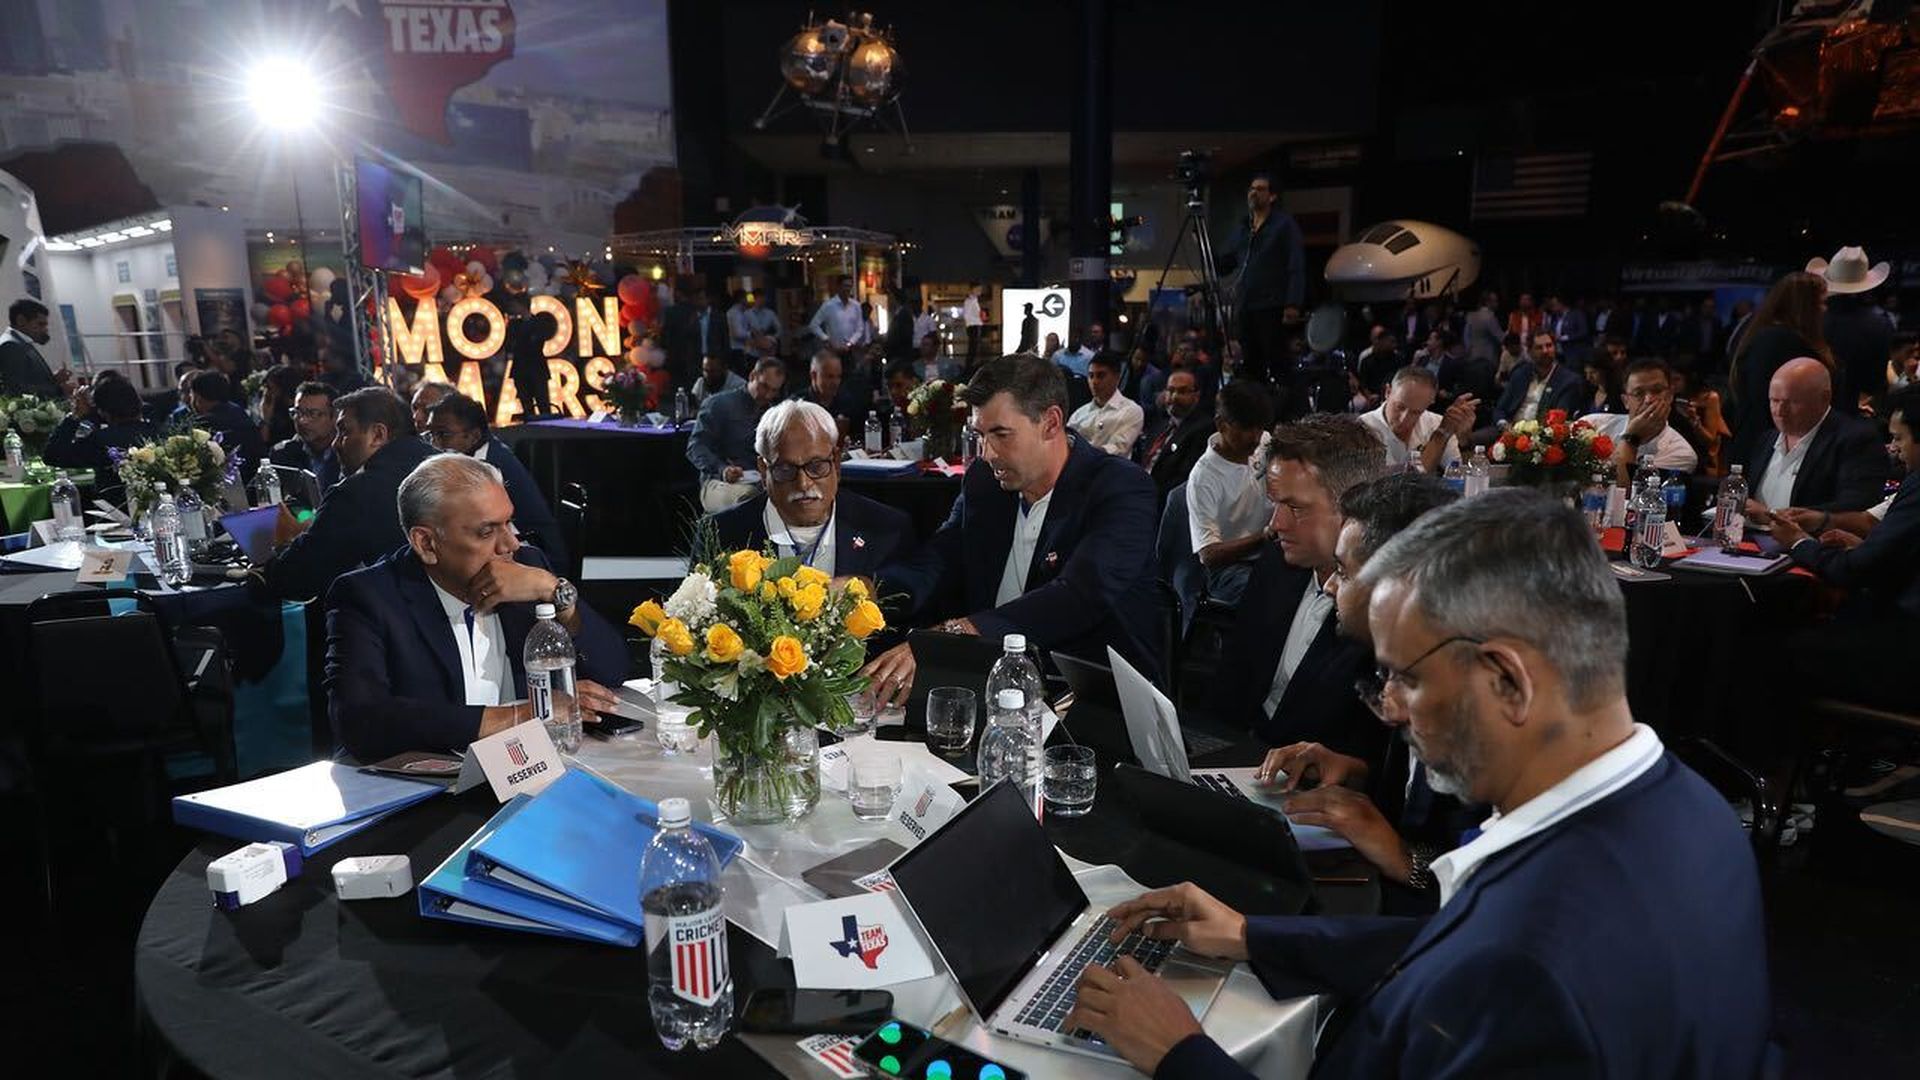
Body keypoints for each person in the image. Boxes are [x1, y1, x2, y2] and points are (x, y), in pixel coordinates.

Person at [1071, 490, 1769, 1079]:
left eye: (1406, 677)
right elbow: (1448, 938)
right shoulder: (1690, 807)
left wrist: (1180, 1053)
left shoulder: (1527, 972)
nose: (1392, 708)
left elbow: (1490, 967)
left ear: (1507, 679)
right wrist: (1255, 935)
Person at [863, 354, 1161, 699]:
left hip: (1095, 701)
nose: (987, 453)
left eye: (1001, 435)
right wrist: (866, 591)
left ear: (1050, 422)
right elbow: (939, 558)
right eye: (981, 435)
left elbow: (1079, 595)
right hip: (986, 687)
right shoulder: (985, 482)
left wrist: (955, 636)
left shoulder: (1122, 488)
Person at [1256, 471, 1477, 910]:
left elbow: (1487, 888)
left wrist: (1404, 857)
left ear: (1397, 587)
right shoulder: (1409, 660)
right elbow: (1419, 800)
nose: (1332, 586)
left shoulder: (1475, 707)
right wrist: (1357, 773)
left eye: (1342, 570)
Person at [324, 454, 627, 762]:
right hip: (425, 787)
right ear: (426, 543)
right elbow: (359, 721)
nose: (510, 544)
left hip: (527, 770)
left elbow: (613, 671)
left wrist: (555, 592)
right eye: (487, 531)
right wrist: (521, 715)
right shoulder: (368, 596)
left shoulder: (528, 569)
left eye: (508, 522)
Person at [1208, 415, 1384, 754]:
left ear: (1355, 509)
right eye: (1275, 503)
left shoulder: (1380, 604)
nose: (1275, 524)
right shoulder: (1278, 562)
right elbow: (1233, 678)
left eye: (1295, 508)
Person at [1768, 385, 1920, 711]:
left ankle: (1774, 756)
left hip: (1904, 652)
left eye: (1900, 438)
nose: (1893, 449)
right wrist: (1869, 546)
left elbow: (1852, 570)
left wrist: (1798, 542)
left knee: (1767, 647)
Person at [705, 400, 913, 584]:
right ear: (763, 469)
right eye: (785, 470)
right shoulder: (719, 534)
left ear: (837, 464)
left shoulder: (886, 530)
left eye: (816, 466)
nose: (803, 484)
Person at [263, 387, 437, 602]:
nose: (336, 443)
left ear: (378, 435)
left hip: (396, 625)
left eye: (344, 431)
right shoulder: (454, 465)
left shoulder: (354, 494)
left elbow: (293, 581)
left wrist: (285, 543)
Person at [424, 393, 567, 571]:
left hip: (534, 557)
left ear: (474, 436)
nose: (433, 443)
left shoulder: (489, 469)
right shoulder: (486, 450)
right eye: (430, 434)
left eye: (443, 434)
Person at [1744, 357, 1889, 519]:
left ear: (1824, 398)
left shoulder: (1857, 440)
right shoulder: (1766, 439)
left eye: (1792, 402)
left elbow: (1857, 507)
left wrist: (1772, 516)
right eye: (1774, 401)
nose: (1779, 411)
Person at [1185, 381, 1276, 605]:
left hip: (1271, 554)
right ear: (1221, 425)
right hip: (1229, 569)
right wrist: (1263, 537)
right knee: (1265, 597)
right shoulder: (1204, 477)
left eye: (1259, 427)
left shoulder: (1264, 443)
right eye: (1246, 429)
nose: (1255, 437)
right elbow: (1209, 554)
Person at [1728, 270, 1830, 464]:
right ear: (1804, 306)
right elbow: (1765, 403)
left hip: (1775, 445)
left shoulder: (1768, 336)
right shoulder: (1777, 341)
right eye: (1821, 303)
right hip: (1771, 451)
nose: (1825, 310)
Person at [1215, 172, 1306, 386]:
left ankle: (1286, 410)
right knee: (1250, 363)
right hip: (1246, 304)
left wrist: (1293, 303)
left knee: (1277, 361)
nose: (1254, 193)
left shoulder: (1284, 225)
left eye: (1260, 189)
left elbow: (1296, 264)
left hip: (1272, 304)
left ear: (1272, 196)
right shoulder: (1243, 227)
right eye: (1251, 189)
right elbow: (1227, 263)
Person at [687, 356, 786, 513]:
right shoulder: (718, 404)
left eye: (774, 391)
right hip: (718, 482)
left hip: (760, 482)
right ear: (752, 376)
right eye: (764, 387)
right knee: (750, 498)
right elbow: (696, 447)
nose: (767, 395)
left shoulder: (773, 413)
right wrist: (722, 469)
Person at [1579, 359, 1699, 482]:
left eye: (1657, 391)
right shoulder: (1593, 425)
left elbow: (1620, 492)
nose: (1648, 400)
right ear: (1625, 401)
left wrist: (1631, 438)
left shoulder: (1681, 453)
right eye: (1639, 393)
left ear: (1669, 396)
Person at [42, 377, 154, 505]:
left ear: (102, 411)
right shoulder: (160, 432)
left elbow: (52, 456)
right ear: (138, 402)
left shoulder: (101, 439)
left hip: (114, 514)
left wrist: (74, 416)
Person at [1358, 367, 1474, 474]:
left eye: (1416, 412)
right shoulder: (1362, 428)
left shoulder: (1436, 422)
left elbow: (1457, 472)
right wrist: (1440, 436)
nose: (1404, 419)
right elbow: (1403, 482)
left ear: (1430, 402)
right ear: (1387, 392)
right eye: (1400, 407)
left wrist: (1463, 440)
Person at [1819, 248, 1893, 414]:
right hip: (1856, 406)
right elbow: (1877, 376)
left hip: (1812, 402)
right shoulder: (1879, 322)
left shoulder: (1811, 316)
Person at [1136, 368, 1213, 501]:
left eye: (1182, 391)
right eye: (1170, 390)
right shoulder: (1160, 424)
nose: (1174, 396)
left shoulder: (1203, 428)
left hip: (1162, 499)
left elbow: (1184, 479)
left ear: (1196, 396)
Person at [1491, 327, 1584, 428]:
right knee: (1475, 438)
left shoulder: (1568, 381)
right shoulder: (1520, 373)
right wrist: (1503, 424)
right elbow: (1500, 409)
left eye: (1549, 346)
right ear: (1529, 352)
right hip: (1509, 429)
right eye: (1539, 347)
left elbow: (1558, 419)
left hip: (1540, 437)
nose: (1545, 351)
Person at [185, 371, 268, 481]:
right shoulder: (239, 412)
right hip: (256, 480)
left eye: (191, 395)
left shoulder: (203, 425)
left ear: (198, 398)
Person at [268, 381, 343, 498]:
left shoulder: (349, 452)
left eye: (313, 414)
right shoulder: (282, 453)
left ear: (334, 416)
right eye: (298, 412)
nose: (302, 421)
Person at [1066, 352, 1145, 456]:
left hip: (1111, 469)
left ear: (1117, 378)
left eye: (1100, 376)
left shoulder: (1131, 410)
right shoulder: (1079, 413)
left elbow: (1117, 449)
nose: (1094, 381)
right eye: (1091, 376)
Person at [0, 298, 71, 399]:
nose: (45, 329)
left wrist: (53, 379)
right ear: (21, 320)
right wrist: (58, 389)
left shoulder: (20, 343)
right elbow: (15, 389)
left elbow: (27, 381)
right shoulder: (11, 345)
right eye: (40, 324)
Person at [663, 284, 730, 386]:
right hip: (694, 358)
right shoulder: (689, 316)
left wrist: (724, 359)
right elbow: (682, 338)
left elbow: (724, 338)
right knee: (694, 386)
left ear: (708, 299)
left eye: (701, 299)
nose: (698, 302)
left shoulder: (718, 316)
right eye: (696, 299)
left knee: (713, 385)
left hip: (713, 357)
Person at [797, 348, 863, 439]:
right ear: (813, 375)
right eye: (829, 377)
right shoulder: (798, 406)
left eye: (838, 377)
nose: (835, 382)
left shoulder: (847, 402)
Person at [508, 310, 558, 419]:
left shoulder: (539, 322)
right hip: (523, 369)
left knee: (543, 404)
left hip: (533, 368)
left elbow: (542, 336)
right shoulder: (514, 324)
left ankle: (546, 428)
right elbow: (510, 344)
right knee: (527, 405)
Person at [807, 276, 869, 357]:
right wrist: (826, 339)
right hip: (833, 350)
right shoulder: (829, 305)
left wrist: (850, 343)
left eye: (850, 286)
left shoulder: (856, 306)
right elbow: (813, 325)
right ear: (838, 287)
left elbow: (860, 328)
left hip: (851, 351)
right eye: (845, 285)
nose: (848, 289)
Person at [1462, 290, 1502, 365]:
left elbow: (1466, 337)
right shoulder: (1490, 317)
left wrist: (1469, 351)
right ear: (1488, 302)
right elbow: (1500, 337)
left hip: (1472, 357)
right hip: (1488, 358)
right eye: (1495, 301)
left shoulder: (1470, 316)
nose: (1497, 304)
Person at [962, 283, 985, 370]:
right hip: (973, 326)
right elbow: (966, 315)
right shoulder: (969, 300)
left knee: (974, 348)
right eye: (978, 289)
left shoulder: (974, 300)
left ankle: (970, 367)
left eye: (980, 289)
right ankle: (968, 367)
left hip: (975, 325)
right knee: (972, 348)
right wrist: (971, 323)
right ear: (972, 289)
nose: (980, 291)